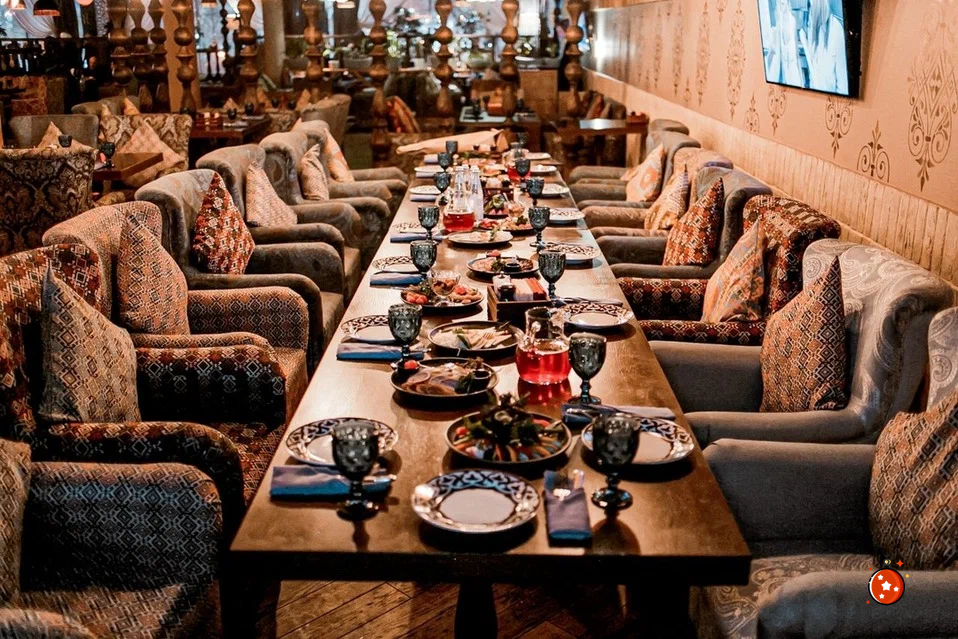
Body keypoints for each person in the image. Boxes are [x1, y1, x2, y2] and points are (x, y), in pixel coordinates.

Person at [800, 0, 849, 94]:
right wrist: (805, 43)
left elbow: (843, 87)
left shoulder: (836, 30)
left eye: (811, 6)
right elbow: (814, 75)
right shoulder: (811, 27)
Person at [763, 0, 804, 88]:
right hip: (785, 69)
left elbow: (796, 52)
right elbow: (777, 51)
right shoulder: (779, 23)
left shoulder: (792, 21)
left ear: (788, 4)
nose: (782, 7)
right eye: (781, 4)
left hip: (793, 67)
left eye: (784, 4)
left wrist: (801, 78)